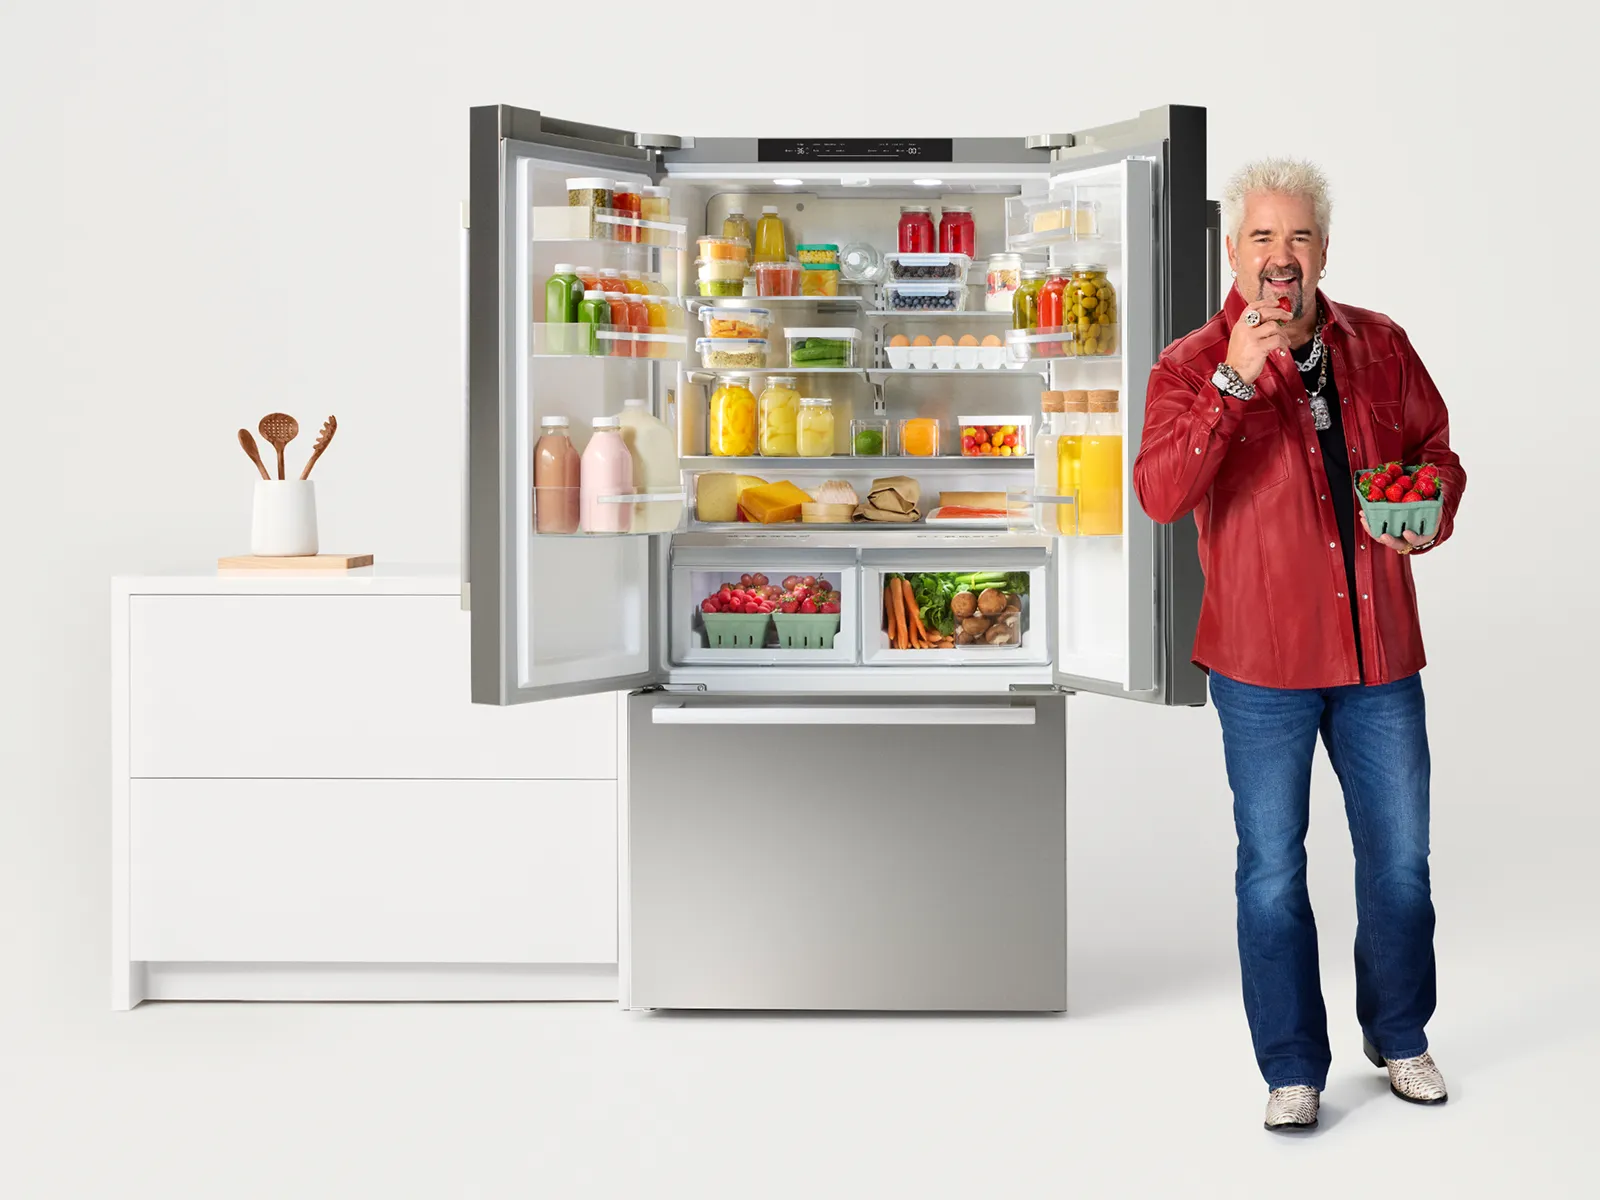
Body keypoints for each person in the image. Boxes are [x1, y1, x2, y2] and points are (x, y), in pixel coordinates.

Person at [1133, 158, 1465, 1133]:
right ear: (1233, 252)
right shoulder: (1189, 365)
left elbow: (1434, 455)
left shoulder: (1382, 345)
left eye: (1300, 237)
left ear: (1324, 251)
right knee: (1271, 867)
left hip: (1377, 657)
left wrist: (1425, 515)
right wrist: (1235, 377)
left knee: (1399, 862)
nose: (1282, 257)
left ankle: (1398, 1037)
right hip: (1260, 666)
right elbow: (1159, 494)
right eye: (1263, 238)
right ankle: (1291, 1066)